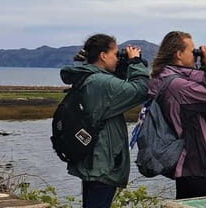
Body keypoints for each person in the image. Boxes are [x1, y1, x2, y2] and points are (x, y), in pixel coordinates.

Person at [59, 34, 149, 208]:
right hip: (102, 162)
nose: (117, 58)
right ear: (103, 55)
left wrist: (124, 66)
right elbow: (142, 89)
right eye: (115, 54)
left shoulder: (90, 77)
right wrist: (135, 62)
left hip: (94, 158)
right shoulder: (99, 82)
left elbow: (117, 85)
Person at [148, 31, 206, 199]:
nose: (196, 55)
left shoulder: (163, 79)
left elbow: (200, 82)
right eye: (192, 51)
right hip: (196, 162)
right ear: (179, 54)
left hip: (185, 163)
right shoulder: (178, 86)